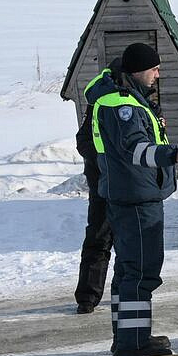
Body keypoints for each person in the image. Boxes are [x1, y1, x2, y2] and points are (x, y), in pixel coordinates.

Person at [90, 41, 178, 356]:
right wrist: (173, 154)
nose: (158, 75)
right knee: (141, 271)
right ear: (137, 70)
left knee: (127, 271)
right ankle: (133, 344)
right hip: (136, 197)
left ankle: (128, 337)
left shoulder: (122, 98)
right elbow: (136, 150)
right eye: (154, 69)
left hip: (130, 194)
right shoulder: (124, 106)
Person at [72, 62, 119, 314]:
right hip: (105, 182)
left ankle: (93, 297)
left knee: (102, 238)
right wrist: (106, 163)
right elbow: (84, 141)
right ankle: (88, 297)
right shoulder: (107, 100)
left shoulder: (102, 96)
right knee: (101, 238)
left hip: (106, 180)